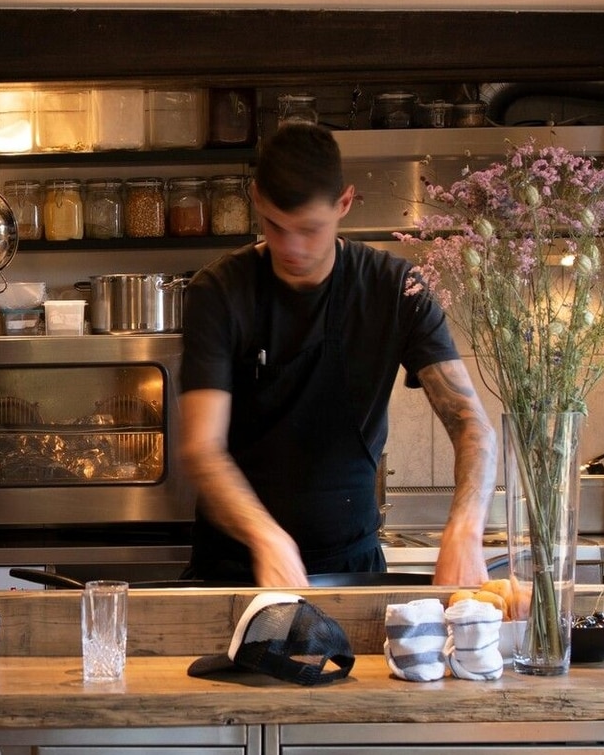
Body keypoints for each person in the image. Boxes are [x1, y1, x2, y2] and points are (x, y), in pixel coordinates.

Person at [176, 119, 496, 587]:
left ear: (344, 203)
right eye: (275, 226)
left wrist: (465, 531)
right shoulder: (220, 292)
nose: (292, 247)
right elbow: (203, 449)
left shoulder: (395, 290)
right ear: (255, 199)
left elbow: (472, 425)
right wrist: (269, 539)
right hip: (236, 571)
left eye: (310, 228)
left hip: (352, 570)